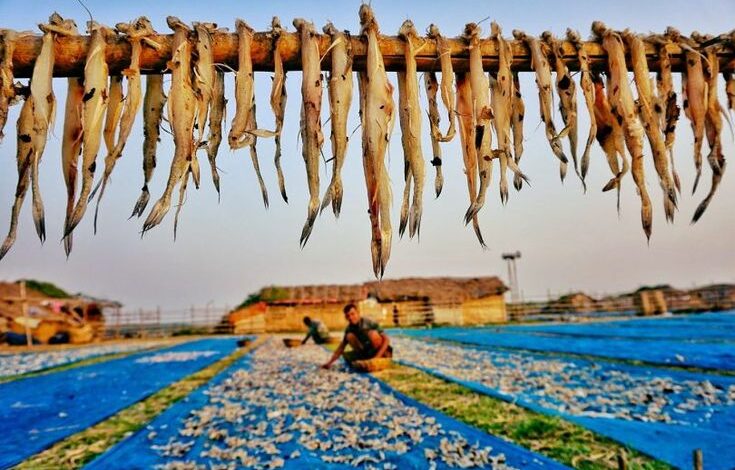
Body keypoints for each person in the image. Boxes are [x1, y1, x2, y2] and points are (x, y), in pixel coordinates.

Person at [321, 303, 391, 369]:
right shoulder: (349, 329)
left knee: (372, 334)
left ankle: (380, 357)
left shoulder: (369, 322)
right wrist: (329, 363)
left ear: (358, 313)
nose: (351, 317)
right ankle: (366, 358)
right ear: (346, 317)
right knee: (349, 336)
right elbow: (341, 348)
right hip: (367, 351)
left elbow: (386, 339)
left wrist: (376, 358)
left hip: (380, 351)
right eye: (348, 316)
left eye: (352, 314)